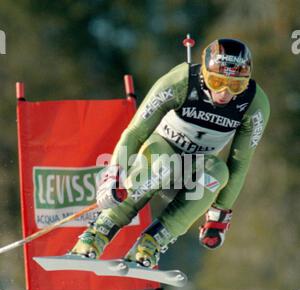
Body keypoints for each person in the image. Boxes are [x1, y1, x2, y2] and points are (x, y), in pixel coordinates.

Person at [69, 38, 270, 268]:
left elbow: (240, 163)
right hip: (159, 154)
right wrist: (114, 173)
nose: (224, 93)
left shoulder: (255, 104)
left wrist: (220, 214)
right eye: (216, 82)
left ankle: (151, 242)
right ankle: (98, 233)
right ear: (204, 73)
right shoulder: (181, 82)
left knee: (218, 171)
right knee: (163, 162)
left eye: (235, 86)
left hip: (193, 170)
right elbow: (136, 132)